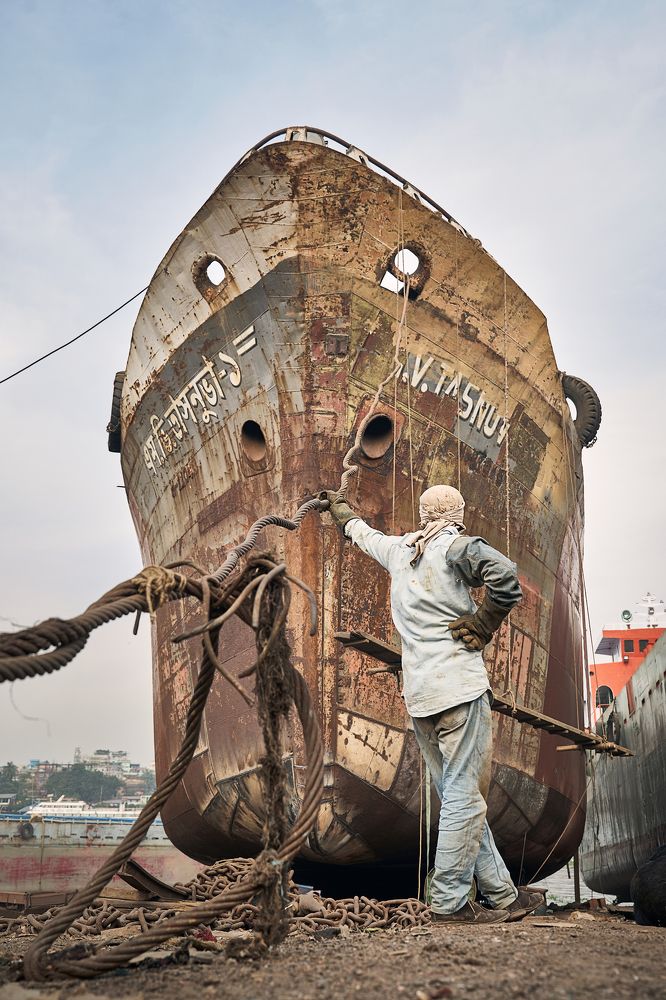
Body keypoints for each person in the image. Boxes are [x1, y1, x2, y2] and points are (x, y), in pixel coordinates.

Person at [325, 483, 544, 924]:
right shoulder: (455, 547)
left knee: (458, 795)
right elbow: (505, 578)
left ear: (424, 514)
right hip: (460, 691)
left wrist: (342, 512)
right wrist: (483, 623)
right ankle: (448, 902)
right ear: (457, 514)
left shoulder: (401, 551)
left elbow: (363, 535)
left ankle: (502, 895)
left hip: (421, 698)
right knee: (466, 799)